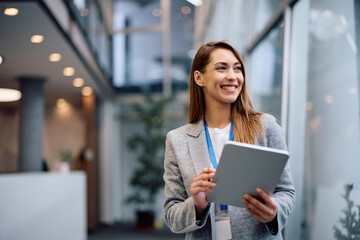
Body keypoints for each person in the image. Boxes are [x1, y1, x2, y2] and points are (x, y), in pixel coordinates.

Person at [162, 41, 295, 239]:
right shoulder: (178, 139)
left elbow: (286, 192)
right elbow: (171, 214)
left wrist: (274, 211)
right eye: (221, 68)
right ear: (199, 78)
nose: (233, 76)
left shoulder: (266, 126)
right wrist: (197, 204)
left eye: (238, 68)